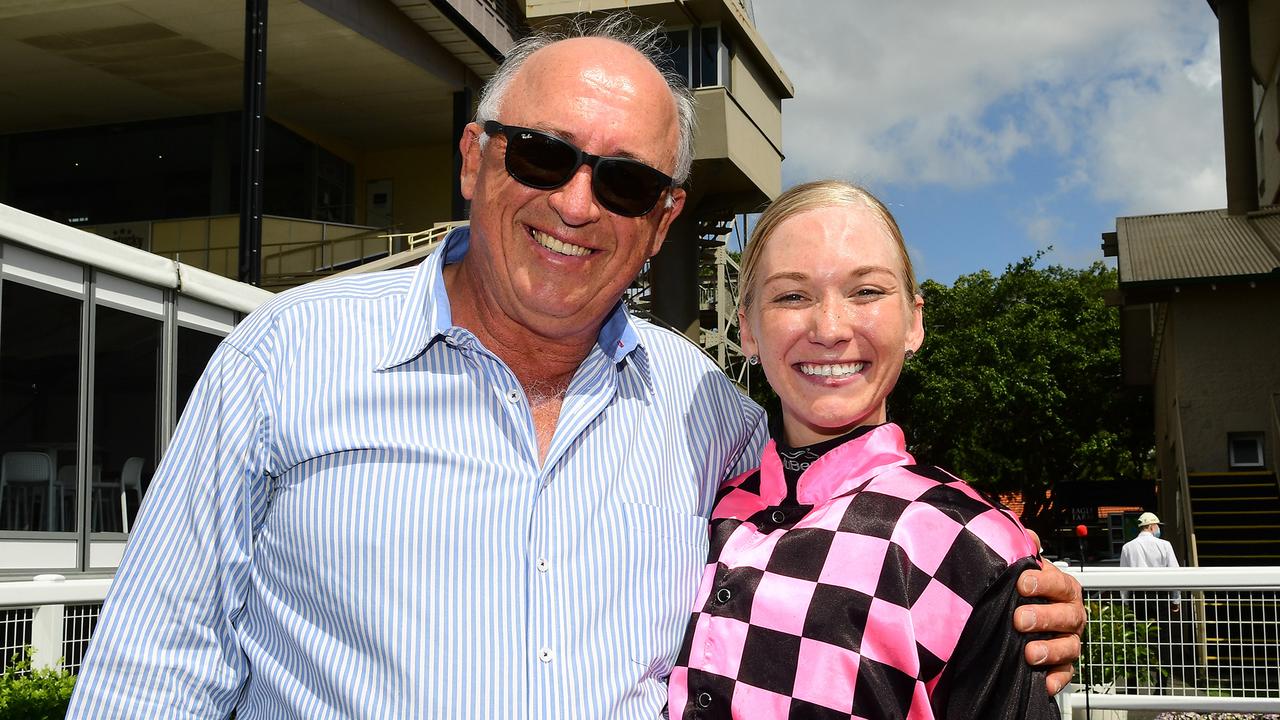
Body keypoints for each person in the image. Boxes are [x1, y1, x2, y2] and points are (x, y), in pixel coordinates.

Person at [68, 17, 1083, 719]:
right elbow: (150, 678)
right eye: (542, 156)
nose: (576, 204)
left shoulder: (709, 420)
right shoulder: (281, 361)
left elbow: (852, 498)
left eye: (627, 180)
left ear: (662, 223)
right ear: (473, 159)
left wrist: (1003, 596)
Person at [669, 181, 1059, 719]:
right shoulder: (701, 508)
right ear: (748, 330)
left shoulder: (976, 546)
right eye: (791, 295)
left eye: (867, 292)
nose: (829, 328)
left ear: (914, 322)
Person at [1119, 511, 1183, 680]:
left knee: (1135, 640)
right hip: (1160, 596)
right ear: (1152, 526)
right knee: (1163, 641)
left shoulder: (1128, 547)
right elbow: (1174, 574)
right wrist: (1175, 599)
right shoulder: (1165, 545)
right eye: (1158, 526)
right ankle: (1161, 686)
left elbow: (1122, 579)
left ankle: (1132, 685)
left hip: (1137, 597)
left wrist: (1126, 602)